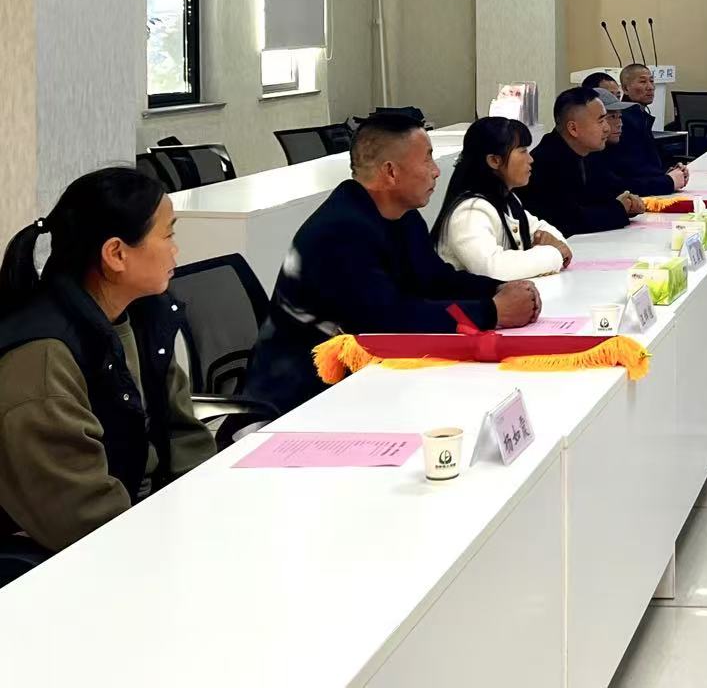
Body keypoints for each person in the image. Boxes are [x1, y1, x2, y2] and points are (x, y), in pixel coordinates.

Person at [246, 112, 542, 413]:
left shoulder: (403, 216)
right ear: (390, 172)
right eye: (427, 159)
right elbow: (388, 321)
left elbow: (437, 281)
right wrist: (492, 311)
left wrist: (498, 289)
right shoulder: (341, 230)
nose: (436, 171)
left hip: (369, 379)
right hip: (302, 396)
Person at [0, 169, 215, 552]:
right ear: (116, 253)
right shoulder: (43, 361)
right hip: (87, 558)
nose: (176, 251)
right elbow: (84, 522)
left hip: (150, 523)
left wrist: (213, 510)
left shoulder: (146, 316)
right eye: (168, 235)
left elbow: (183, 436)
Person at [432, 117, 573, 280]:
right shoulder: (470, 211)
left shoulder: (508, 200)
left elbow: (543, 228)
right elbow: (491, 268)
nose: (530, 159)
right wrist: (553, 253)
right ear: (494, 160)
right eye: (522, 151)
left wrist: (556, 245)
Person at [522, 86, 644, 235]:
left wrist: (626, 203)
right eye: (600, 121)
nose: (607, 128)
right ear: (573, 129)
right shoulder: (547, 162)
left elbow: (601, 195)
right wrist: (619, 209)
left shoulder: (585, 153)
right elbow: (568, 221)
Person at [594, 84, 686, 197]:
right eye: (612, 117)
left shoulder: (613, 147)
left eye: (620, 117)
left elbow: (633, 177)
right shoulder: (589, 155)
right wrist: (668, 182)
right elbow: (617, 188)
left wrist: (665, 176)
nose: (620, 124)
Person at [614, 63, 689, 193]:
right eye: (642, 82)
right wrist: (668, 181)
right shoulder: (624, 123)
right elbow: (633, 174)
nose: (650, 87)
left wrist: (669, 172)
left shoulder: (641, 118)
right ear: (625, 89)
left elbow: (647, 167)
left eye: (652, 81)